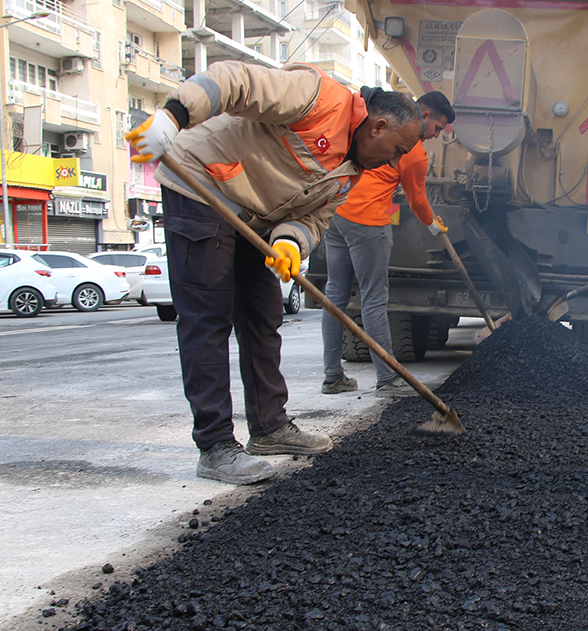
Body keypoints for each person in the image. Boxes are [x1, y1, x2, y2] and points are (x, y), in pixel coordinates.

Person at [125, 61, 424, 485]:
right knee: (208, 319)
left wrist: (290, 243)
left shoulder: (352, 171)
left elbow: (315, 218)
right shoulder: (318, 97)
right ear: (378, 127)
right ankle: (215, 446)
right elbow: (234, 81)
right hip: (203, 187)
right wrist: (173, 116)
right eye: (397, 149)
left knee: (263, 319)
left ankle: (269, 428)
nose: (394, 161)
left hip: (256, 217)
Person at [321, 91, 456, 397]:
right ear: (424, 116)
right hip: (368, 222)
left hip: (337, 213)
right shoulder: (413, 150)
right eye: (437, 127)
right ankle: (387, 379)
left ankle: (332, 376)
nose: (436, 135)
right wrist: (433, 224)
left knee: (334, 295)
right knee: (374, 299)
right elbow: (417, 199)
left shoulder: (376, 128)